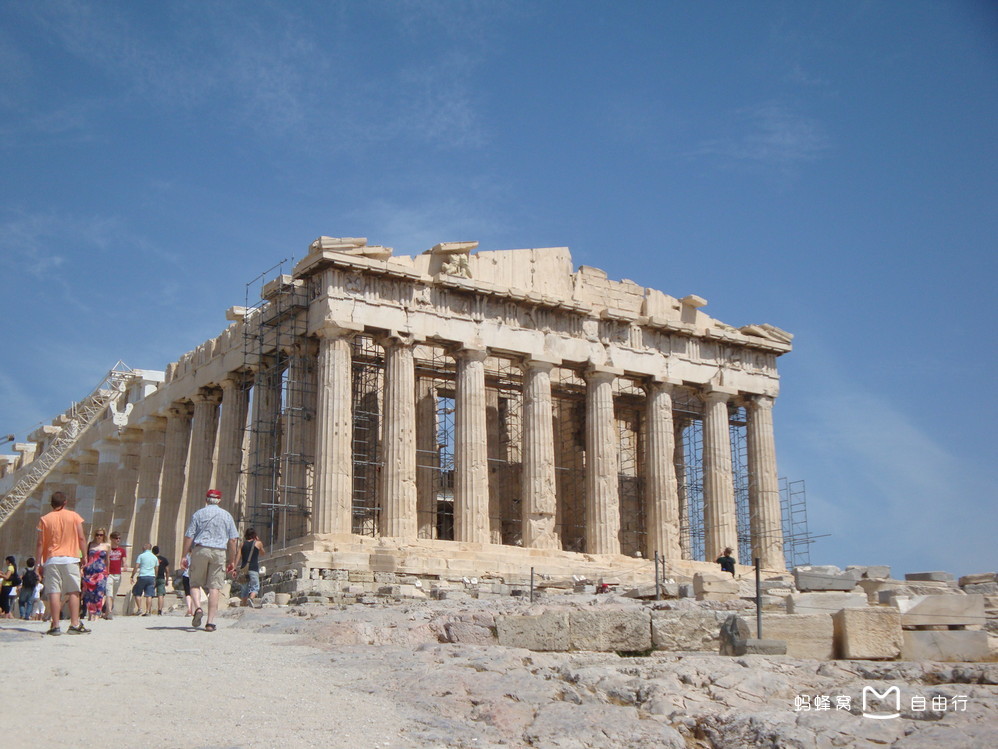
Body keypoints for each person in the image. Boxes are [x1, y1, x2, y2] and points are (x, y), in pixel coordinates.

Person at [181, 488, 239, 632]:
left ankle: (198, 608)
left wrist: (184, 555)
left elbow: (189, 536)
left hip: (200, 549)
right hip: (219, 551)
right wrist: (232, 560)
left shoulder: (198, 514)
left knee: (194, 583)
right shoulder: (227, 515)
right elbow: (233, 539)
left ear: (206, 500)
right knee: (214, 587)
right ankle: (210, 623)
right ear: (219, 500)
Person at [36, 491, 90, 635]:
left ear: (51, 503)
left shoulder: (44, 519)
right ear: (65, 502)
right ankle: (74, 624)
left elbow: (40, 543)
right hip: (70, 558)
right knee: (73, 591)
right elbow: (81, 538)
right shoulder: (74, 516)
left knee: (54, 592)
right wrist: (84, 555)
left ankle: (55, 626)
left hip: (52, 559)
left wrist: (38, 564)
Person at [82, 528, 110, 621]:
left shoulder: (107, 545)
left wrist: (107, 571)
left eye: (101, 535)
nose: (99, 536)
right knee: (89, 593)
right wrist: (82, 568)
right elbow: (86, 557)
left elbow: (107, 560)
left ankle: (97, 613)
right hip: (89, 571)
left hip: (101, 572)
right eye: (97, 534)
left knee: (99, 592)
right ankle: (90, 613)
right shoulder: (90, 544)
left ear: (104, 536)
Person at [235, 528, 265, 608]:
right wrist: (258, 541)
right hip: (253, 568)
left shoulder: (242, 544)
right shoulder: (258, 543)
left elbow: (238, 557)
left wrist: (234, 568)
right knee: (255, 587)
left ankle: (244, 604)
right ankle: (251, 599)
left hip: (243, 569)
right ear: (254, 535)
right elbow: (263, 553)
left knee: (244, 588)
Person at [104, 531, 128, 619]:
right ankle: (110, 611)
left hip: (118, 574)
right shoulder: (108, 550)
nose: (118, 540)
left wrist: (125, 565)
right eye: (116, 538)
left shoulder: (122, 550)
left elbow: (124, 561)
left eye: (119, 538)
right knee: (109, 593)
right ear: (111, 539)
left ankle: (107, 612)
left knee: (113, 595)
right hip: (109, 574)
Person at [130, 543, 158, 616]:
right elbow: (156, 569)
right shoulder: (154, 557)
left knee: (137, 592)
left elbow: (136, 566)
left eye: (143, 546)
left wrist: (132, 575)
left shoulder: (141, 556)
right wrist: (155, 577)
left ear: (146, 547)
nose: (142, 547)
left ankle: (140, 609)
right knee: (149, 595)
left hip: (142, 575)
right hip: (151, 576)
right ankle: (148, 611)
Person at [152, 545, 170, 615]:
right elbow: (167, 571)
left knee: (149, 594)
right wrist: (167, 580)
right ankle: (159, 610)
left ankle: (148, 609)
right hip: (161, 578)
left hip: (152, 577)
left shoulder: (152, 558)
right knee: (160, 595)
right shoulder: (164, 559)